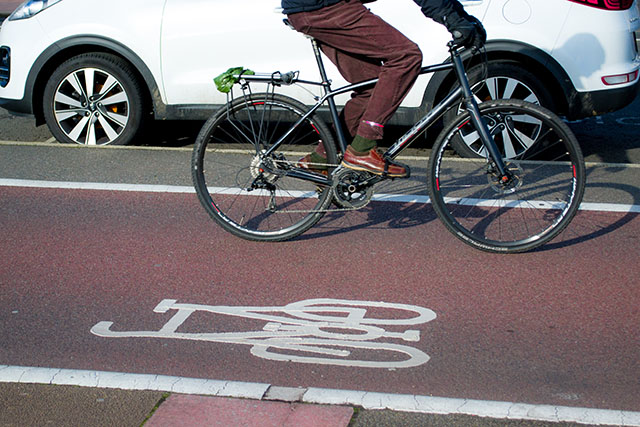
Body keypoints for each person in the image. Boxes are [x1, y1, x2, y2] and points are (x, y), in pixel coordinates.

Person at [282, 0, 485, 177]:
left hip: (317, 8)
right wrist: (454, 21)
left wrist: (463, 17)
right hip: (323, 8)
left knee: (372, 84)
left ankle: (321, 158)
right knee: (406, 56)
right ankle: (362, 148)